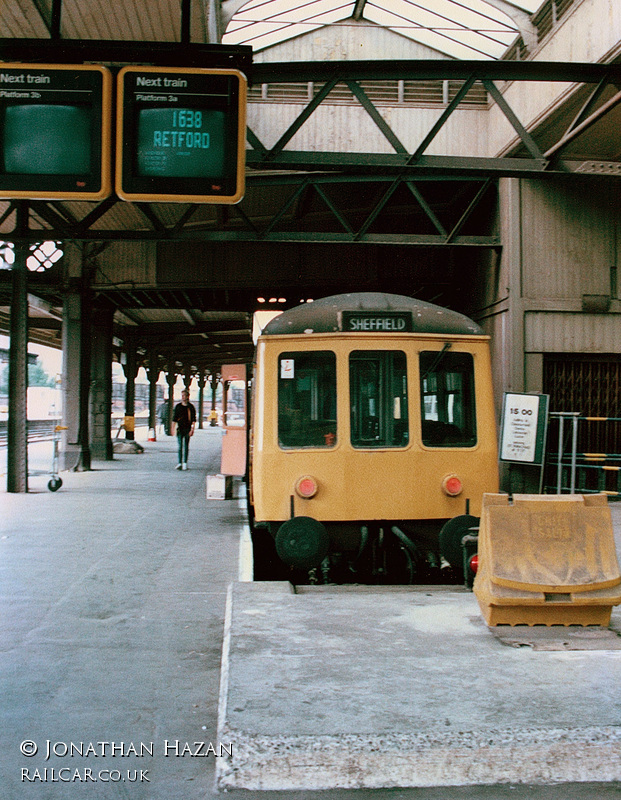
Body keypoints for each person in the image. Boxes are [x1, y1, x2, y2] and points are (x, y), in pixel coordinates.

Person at [171, 389, 196, 470]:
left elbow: (193, 419)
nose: (183, 397)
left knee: (186, 446)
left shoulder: (191, 407)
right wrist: (172, 428)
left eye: (184, 395)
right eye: (182, 395)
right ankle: (179, 463)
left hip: (188, 429)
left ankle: (185, 463)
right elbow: (174, 418)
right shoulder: (178, 407)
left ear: (188, 396)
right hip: (180, 429)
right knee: (180, 446)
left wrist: (192, 429)